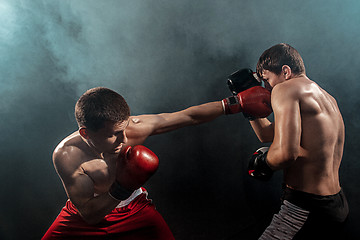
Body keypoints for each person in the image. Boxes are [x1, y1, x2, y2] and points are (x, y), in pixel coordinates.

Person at [42, 84, 271, 239]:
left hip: (134, 210)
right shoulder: (66, 155)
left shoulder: (132, 129)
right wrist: (121, 187)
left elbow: (187, 116)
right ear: (86, 133)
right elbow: (90, 215)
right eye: (113, 134)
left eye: (125, 128)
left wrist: (234, 104)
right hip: (84, 214)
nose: (124, 139)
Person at [247, 43, 349, 239]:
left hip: (307, 206)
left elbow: (287, 153)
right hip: (336, 203)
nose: (267, 88)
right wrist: (249, 107)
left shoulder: (286, 89)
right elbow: (268, 134)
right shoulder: (327, 98)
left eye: (267, 80)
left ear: (285, 71)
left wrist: (263, 163)